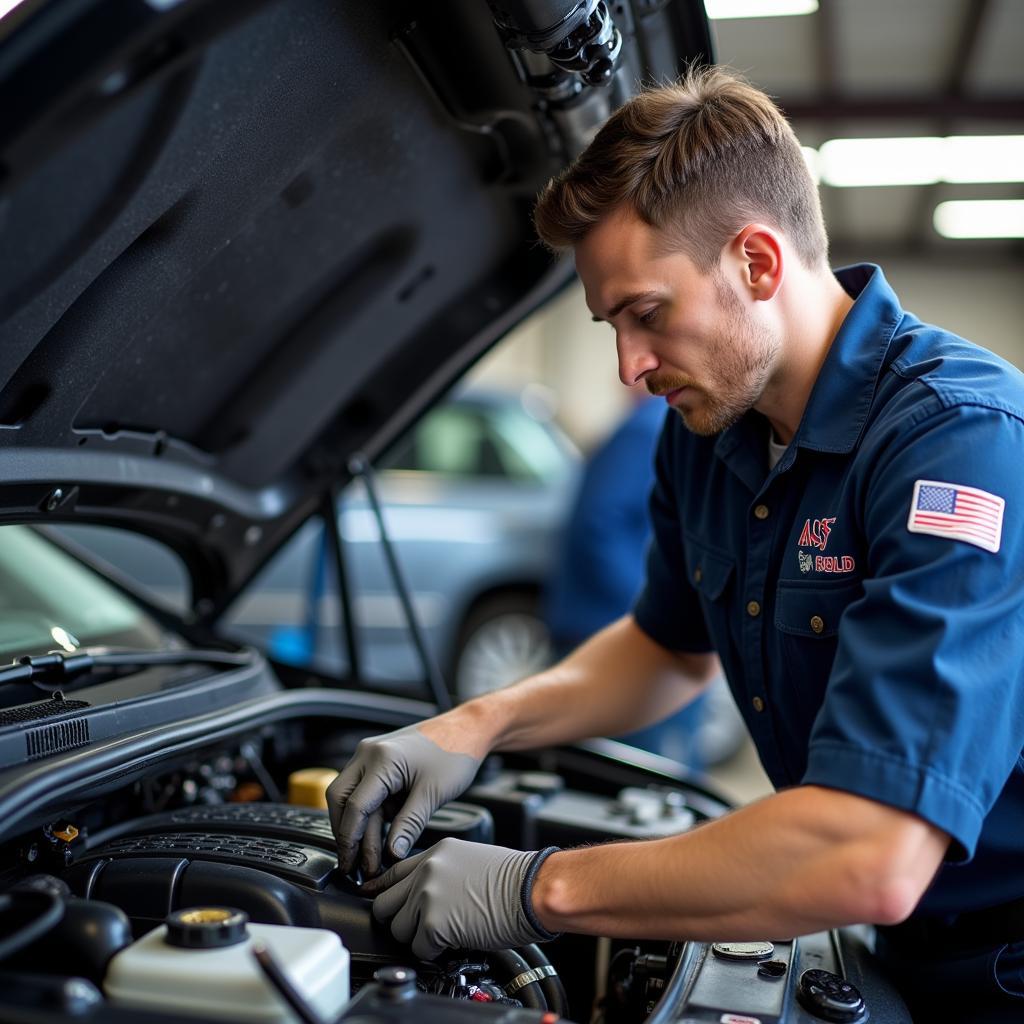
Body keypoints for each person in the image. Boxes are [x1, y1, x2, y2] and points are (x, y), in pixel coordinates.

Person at [327, 66, 1024, 1021]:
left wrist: (535, 887)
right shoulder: (704, 437)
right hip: (897, 945)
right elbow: (666, 649)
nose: (630, 365)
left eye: (647, 315)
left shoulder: (960, 442)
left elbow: (873, 854)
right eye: (612, 324)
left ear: (758, 263)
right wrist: (473, 725)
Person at [544, 392, 711, 767]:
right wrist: (660, 605)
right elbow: (598, 524)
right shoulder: (655, 427)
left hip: (606, 630)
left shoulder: (646, 424)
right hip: (628, 641)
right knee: (652, 783)